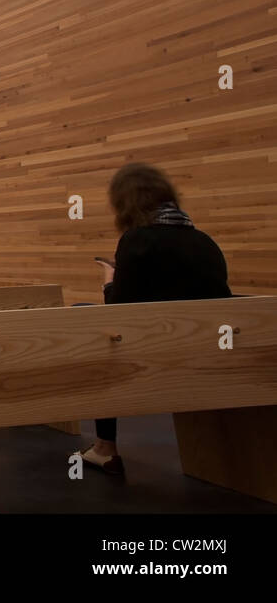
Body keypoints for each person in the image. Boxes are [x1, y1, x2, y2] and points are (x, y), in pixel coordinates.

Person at [77, 163, 230, 476]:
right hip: (215, 359)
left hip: (158, 360)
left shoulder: (137, 242)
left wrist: (109, 281)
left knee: (90, 321)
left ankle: (105, 447)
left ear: (125, 203)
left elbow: (121, 314)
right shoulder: (205, 242)